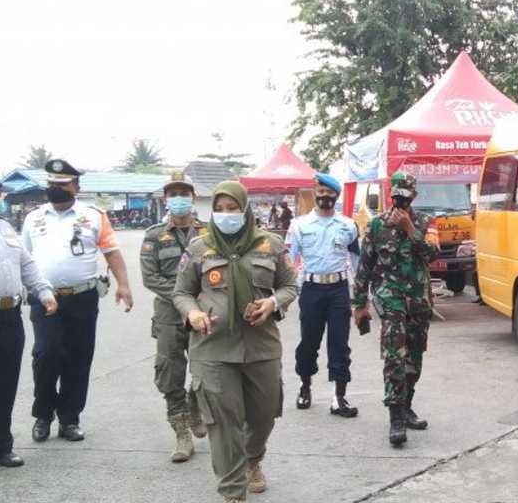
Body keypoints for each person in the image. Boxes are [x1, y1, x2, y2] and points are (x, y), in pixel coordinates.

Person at [174, 181, 298, 503]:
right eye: (219, 209)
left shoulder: (270, 244)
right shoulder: (199, 248)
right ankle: (232, 492)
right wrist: (193, 313)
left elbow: (289, 285)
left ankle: (252, 460)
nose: (225, 214)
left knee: (263, 415)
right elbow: (182, 292)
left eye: (232, 208)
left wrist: (273, 303)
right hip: (212, 348)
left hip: (261, 346)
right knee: (223, 425)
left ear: (245, 209)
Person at [21, 159, 133, 444]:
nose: (55, 188)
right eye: (51, 183)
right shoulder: (33, 217)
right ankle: (43, 414)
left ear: (76, 187)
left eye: (62, 184)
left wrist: (123, 285)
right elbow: (23, 258)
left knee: (78, 358)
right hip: (45, 298)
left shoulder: (94, 216)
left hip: (82, 297)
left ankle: (69, 418)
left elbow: (111, 252)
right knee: (46, 354)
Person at [352, 171, 440, 447]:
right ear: (391, 194)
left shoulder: (426, 222)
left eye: (406, 195)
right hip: (390, 299)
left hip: (418, 300)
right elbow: (364, 267)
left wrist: (410, 230)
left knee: (414, 355)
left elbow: (432, 255)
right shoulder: (376, 226)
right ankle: (396, 418)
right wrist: (359, 304)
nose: (401, 200)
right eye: (397, 195)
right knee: (394, 355)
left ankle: (407, 405)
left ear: (415, 195)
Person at [0, 172, 57, 468]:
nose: (1, 198)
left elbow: (27, 264)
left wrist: (44, 291)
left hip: (9, 317)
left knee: (3, 384)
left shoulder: (4, 228)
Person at [140, 172, 208, 463]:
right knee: (170, 372)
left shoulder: (209, 232)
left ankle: (195, 406)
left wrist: (197, 302)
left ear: (193, 197)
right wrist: (184, 299)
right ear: (165, 198)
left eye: (184, 193)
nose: (179, 198)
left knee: (207, 367)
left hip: (204, 312)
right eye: (173, 194)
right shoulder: (154, 235)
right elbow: (150, 277)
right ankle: (181, 433)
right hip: (169, 314)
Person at [289, 173, 360, 416]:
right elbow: (290, 261)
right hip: (311, 290)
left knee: (340, 344)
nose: (325, 196)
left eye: (330, 193)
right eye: (321, 192)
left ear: (336, 196)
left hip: (339, 289)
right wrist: (285, 293)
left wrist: (362, 294)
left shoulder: (348, 225)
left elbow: (357, 260)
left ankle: (339, 397)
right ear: (315, 193)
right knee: (308, 343)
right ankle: (305, 386)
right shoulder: (299, 225)